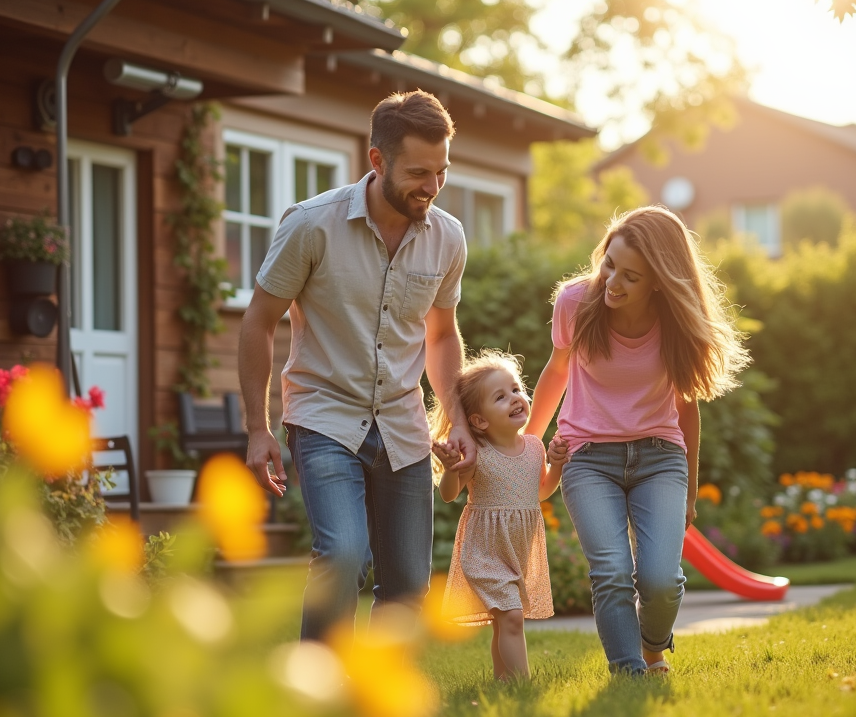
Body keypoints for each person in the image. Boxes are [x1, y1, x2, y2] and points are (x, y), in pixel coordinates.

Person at [238, 90, 477, 642]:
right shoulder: (312, 225)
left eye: (441, 172)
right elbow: (258, 321)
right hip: (324, 415)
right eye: (419, 172)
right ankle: (316, 690)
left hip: (402, 421)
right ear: (377, 160)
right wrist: (258, 426)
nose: (432, 186)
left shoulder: (448, 238)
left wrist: (457, 417)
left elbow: (441, 336)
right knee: (342, 555)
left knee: (409, 584)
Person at [525, 206, 749, 675]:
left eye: (630, 276)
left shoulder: (676, 323)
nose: (612, 283)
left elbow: (688, 408)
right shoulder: (574, 303)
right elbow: (557, 370)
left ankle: (653, 646)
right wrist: (527, 444)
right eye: (609, 264)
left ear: (659, 282)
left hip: (660, 459)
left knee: (661, 580)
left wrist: (689, 492)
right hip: (589, 460)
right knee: (610, 572)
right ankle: (629, 674)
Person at [430, 350, 566, 681]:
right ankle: (523, 683)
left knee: (504, 621)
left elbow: (542, 491)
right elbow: (449, 495)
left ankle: (504, 680)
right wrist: (450, 469)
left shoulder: (534, 447)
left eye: (517, 389)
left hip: (517, 551)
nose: (515, 399)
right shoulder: (478, 454)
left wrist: (558, 463)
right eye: (501, 397)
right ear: (479, 420)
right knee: (512, 618)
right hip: (485, 551)